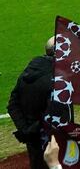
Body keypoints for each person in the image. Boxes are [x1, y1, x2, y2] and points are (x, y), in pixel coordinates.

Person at [6, 41, 51, 169]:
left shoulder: (26, 74)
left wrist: (26, 131)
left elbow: (12, 105)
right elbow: (54, 114)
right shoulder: (56, 81)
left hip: (32, 139)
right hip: (53, 140)